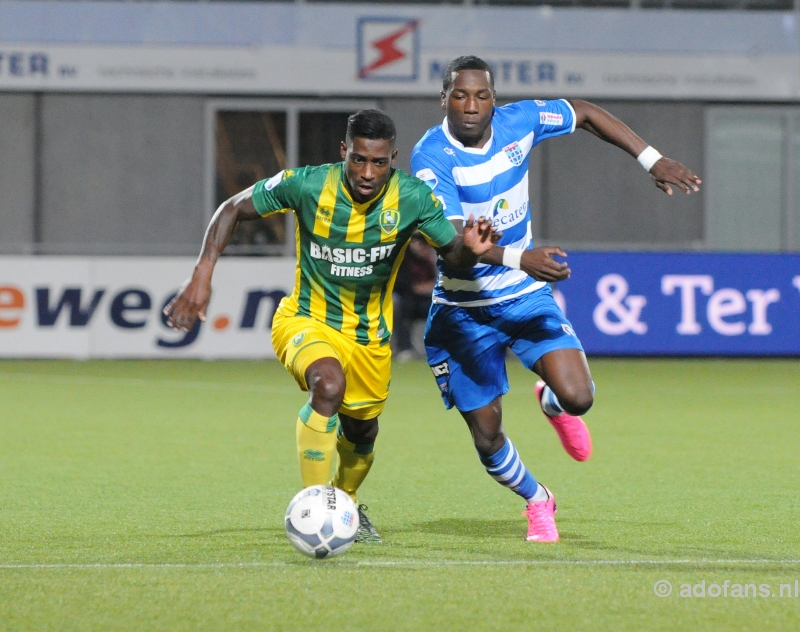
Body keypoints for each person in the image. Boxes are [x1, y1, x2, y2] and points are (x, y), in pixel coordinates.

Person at [165, 109, 497, 543]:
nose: (367, 172)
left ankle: (346, 503)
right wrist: (202, 273)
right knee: (327, 385)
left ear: (392, 159)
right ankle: (315, 508)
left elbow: (452, 250)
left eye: (379, 163)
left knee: (362, 432)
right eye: (358, 159)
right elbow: (231, 209)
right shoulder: (306, 184)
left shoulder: (412, 197)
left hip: (369, 340)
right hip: (305, 319)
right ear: (344, 151)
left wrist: (470, 249)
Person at [410, 56, 702, 542]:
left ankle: (549, 400)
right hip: (462, 312)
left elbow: (583, 111)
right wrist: (517, 257)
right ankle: (538, 499)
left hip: (522, 296)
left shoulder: (519, 122)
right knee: (486, 438)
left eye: (481, 95)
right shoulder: (431, 157)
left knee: (579, 397)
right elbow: (454, 251)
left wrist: (652, 159)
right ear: (444, 99)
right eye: (460, 95)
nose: (471, 105)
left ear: (494, 100)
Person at [391, 232, 438, 361]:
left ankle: (442, 347)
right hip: (403, 297)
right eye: (424, 246)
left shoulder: (428, 260)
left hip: (424, 298)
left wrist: (424, 287)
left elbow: (435, 282)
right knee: (398, 304)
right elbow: (403, 284)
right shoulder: (403, 258)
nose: (426, 250)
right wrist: (420, 287)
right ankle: (404, 348)